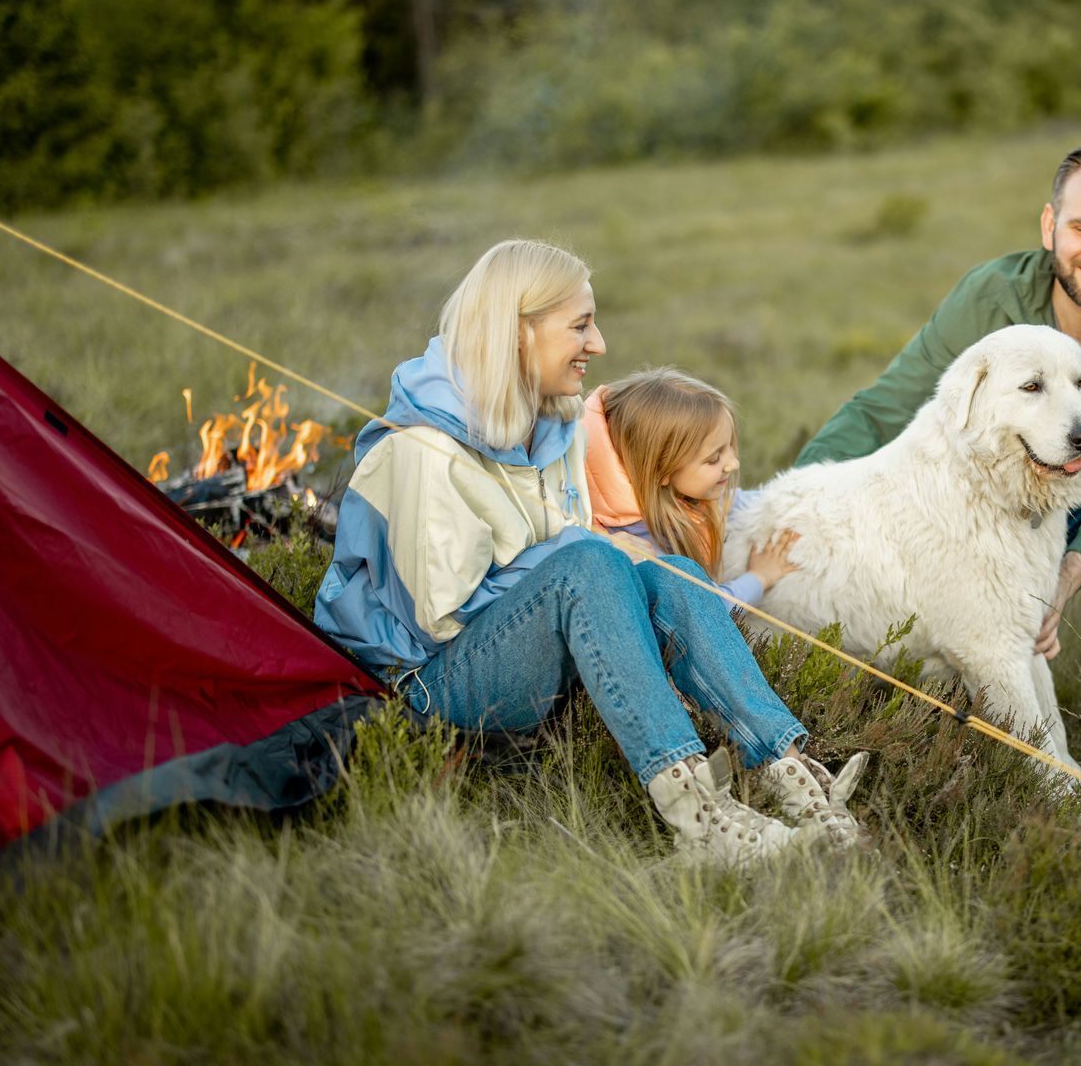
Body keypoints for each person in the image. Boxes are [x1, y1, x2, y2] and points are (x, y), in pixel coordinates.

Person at [314, 239, 864, 858]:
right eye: (580, 325)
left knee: (674, 572)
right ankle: (700, 819)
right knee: (592, 561)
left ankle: (794, 777)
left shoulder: (552, 425)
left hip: (517, 650)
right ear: (519, 332)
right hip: (419, 686)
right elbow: (438, 617)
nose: (598, 344)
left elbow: (578, 533)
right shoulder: (423, 449)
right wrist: (593, 555)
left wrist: (624, 557)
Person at [796, 145, 1081, 704]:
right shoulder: (990, 295)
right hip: (997, 506)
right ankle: (946, 654)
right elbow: (882, 409)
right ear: (1049, 225)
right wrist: (792, 517)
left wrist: (1062, 578)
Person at [581, 366, 801, 610]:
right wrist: (759, 578)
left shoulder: (689, 494)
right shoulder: (636, 545)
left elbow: (747, 501)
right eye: (713, 459)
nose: (733, 463)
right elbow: (703, 609)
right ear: (662, 470)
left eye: (730, 446)